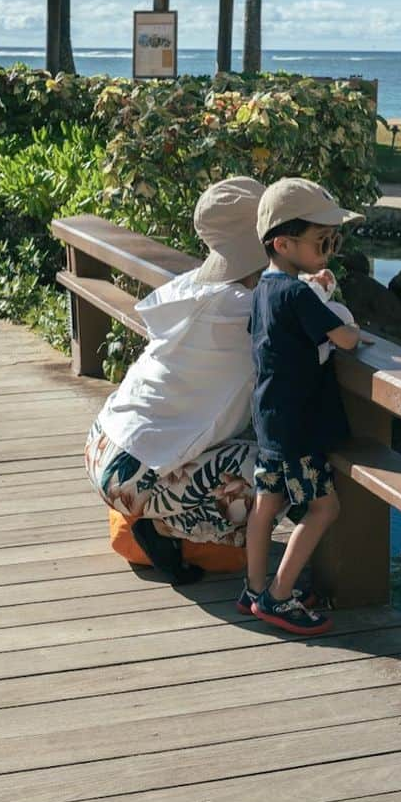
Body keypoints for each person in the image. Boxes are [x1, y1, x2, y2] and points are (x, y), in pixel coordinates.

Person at [84, 176, 267, 585]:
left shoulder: (189, 287)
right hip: (133, 474)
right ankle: (165, 527)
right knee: (279, 466)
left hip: (104, 443)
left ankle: (155, 519)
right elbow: (321, 331)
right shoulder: (244, 306)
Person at [241, 178, 364, 636]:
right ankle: (278, 595)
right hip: (301, 428)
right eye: (322, 241)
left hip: (270, 421)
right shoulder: (297, 295)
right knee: (324, 510)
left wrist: (314, 289)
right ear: (283, 242)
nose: (329, 250)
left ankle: (253, 589)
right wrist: (333, 307)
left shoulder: (264, 290)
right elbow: (346, 338)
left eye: (333, 240)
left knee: (266, 503)